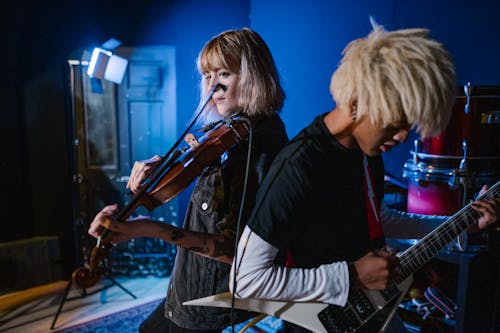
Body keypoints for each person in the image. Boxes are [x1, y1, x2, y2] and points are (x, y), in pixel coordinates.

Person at [230, 23, 500, 332]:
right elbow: (245, 281)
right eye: (394, 124)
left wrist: (463, 223)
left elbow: (378, 218)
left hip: (372, 311)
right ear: (356, 103)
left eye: (407, 126)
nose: (400, 137)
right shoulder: (297, 168)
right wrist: (353, 276)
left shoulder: (366, 151)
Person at [88, 28, 288, 332]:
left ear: (253, 76)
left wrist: (144, 228)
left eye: (224, 73)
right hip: (189, 283)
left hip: (211, 299)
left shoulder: (257, 146)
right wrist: (162, 168)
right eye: (207, 76)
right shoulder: (232, 133)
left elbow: (239, 252)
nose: (213, 87)